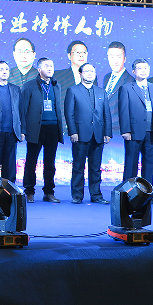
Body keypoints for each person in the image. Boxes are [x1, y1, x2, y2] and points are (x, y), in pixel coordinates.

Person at [118, 58, 153, 205]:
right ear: (134, 71)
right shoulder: (126, 88)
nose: (143, 71)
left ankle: (147, 196)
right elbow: (123, 111)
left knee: (149, 166)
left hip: (151, 131)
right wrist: (125, 130)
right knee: (131, 165)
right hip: (133, 132)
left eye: (146, 68)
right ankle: (127, 196)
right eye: (140, 68)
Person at [64, 63, 112, 204]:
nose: (90, 73)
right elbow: (69, 113)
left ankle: (96, 195)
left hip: (98, 135)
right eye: (87, 71)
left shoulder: (101, 92)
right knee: (78, 167)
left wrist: (107, 132)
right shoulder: (73, 90)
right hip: (80, 134)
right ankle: (77, 195)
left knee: (95, 168)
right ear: (80, 74)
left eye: (92, 71)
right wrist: (73, 132)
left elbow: (106, 114)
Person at [20, 57, 63, 203]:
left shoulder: (56, 85)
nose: (50, 68)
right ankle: (29, 192)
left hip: (53, 128)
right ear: (39, 70)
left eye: (51, 66)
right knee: (31, 161)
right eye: (46, 66)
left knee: (50, 163)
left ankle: (49, 193)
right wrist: (23, 129)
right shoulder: (29, 86)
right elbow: (23, 109)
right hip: (35, 128)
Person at [102, 41, 133, 133]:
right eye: (111, 57)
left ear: (124, 59)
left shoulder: (131, 82)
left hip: (119, 131)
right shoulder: (107, 77)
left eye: (118, 57)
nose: (115, 61)